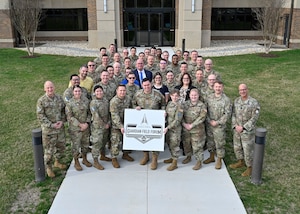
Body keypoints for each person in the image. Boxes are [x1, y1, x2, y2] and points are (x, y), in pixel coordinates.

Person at [132, 78, 166, 170]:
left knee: (154, 139)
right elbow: (133, 104)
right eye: (145, 85)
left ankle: (154, 158)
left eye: (148, 85)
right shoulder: (138, 94)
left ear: (151, 84)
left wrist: (162, 112)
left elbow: (163, 104)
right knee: (144, 137)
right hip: (142, 120)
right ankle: (146, 155)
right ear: (142, 85)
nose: (146, 87)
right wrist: (136, 108)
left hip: (155, 120)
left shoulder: (157, 94)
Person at [37, 81, 67, 178]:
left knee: (61, 147)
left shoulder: (59, 98)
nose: (50, 89)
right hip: (49, 130)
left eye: (51, 87)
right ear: (44, 89)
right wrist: (51, 125)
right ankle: (49, 167)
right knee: (49, 151)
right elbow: (40, 116)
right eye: (48, 88)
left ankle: (57, 162)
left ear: (54, 87)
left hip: (59, 129)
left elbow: (64, 111)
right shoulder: (41, 101)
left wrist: (62, 121)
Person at [230, 84, 260, 177]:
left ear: (247, 90)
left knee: (247, 150)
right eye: (240, 90)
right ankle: (240, 161)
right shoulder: (236, 101)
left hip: (247, 131)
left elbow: (254, 118)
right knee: (237, 147)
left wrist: (244, 127)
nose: (242, 91)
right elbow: (233, 114)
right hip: (237, 130)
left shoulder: (254, 102)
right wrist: (235, 126)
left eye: (244, 89)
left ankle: (250, 167)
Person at [204, 80, 232, 169]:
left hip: (219, 126)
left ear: (222, 88)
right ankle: (211, 157)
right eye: (216, 86)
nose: (218, 88)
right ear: (213, 87)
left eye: (219, 87)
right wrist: (209, 120)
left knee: (219, 143)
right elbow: (205, 110)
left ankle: (219, 159)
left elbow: (227, 114)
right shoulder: (209, 98)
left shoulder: (226, 100)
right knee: (210, 142)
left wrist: (217, 122)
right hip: (210, 124)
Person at [65, 85, 91, 171]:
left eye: (79, 91)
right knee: (76, 146)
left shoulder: (86, 101)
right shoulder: (70, 103)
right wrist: (80, 125)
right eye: (76, 91)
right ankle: (76, 161)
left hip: (86, 127)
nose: (77, 93)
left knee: (85, 144)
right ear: (73, 92)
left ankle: (84, 159)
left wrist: (87, 123)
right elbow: (70, 117)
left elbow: (89, 113)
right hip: (75, 129)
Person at [181, 88, 207, 170]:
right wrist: (184, 123)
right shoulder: (185, 104)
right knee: (186, 144)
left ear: (198, 95)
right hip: (186, 129)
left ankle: (199, 162)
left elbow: (202, 117)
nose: (194, 96)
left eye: (195, 95)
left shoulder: (202, 105)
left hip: (197, 130)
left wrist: (192, 125)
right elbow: (179, 114)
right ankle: (188, 157)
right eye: (192, 95)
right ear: (189, 95)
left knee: (197, 147)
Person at [109, 84, 135, 168]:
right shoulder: (114, 102)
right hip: (116, 126)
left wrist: (136, 109)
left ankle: (125, 154)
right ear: (117, 91)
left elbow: (131, 108)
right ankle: (114, 158)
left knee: (127, 141)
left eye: (124, 90)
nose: (122, 92)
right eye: (120, 91)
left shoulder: (128, 99)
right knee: (115, 141)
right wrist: (121, 126)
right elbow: (114, 116)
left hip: (127, 124)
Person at [89, 85, 111, 170]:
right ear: (94, 93)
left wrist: (108, 123)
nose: (99, 93)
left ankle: (103, 156)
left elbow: (109, 113)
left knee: (104, 141)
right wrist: (104, 124)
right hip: (97, 127)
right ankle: (95, 161)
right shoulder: (93, 103)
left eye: (100, 91)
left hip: (106, 125)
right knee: (97, 143)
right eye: (97, 91)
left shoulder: (105, 100)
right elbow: (96, 116)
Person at [163, 89, 183, 171]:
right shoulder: (170, 104)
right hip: (168, 129)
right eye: (173, 95)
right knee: (170, 143)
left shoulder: (180, 106)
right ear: (170, 96)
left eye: (176, 96)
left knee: (175, 145)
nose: (175, 97)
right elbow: (168, 114)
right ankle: (172, 157)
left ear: (179, 96)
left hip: (175, 129)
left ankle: (175, 163)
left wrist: (168, 127)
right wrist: (165, 114)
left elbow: (177, 120)